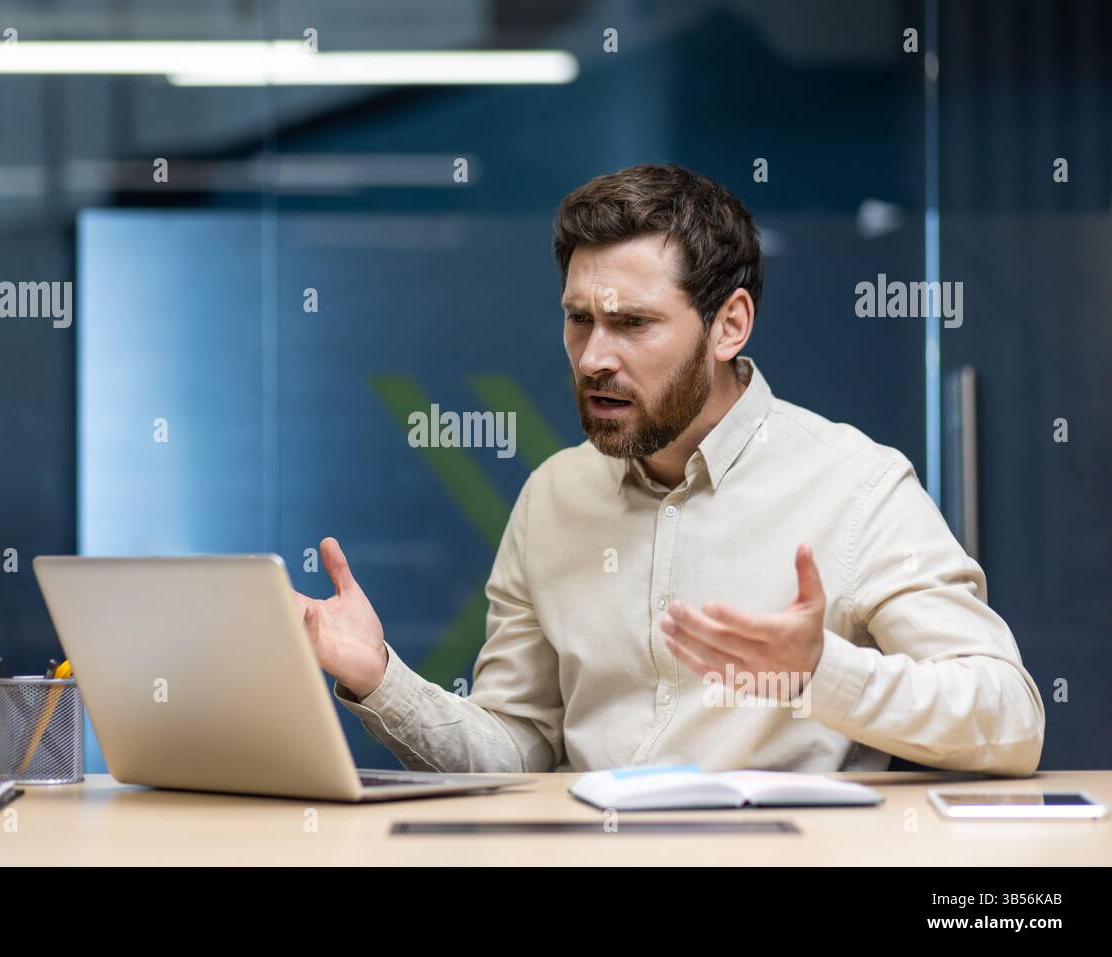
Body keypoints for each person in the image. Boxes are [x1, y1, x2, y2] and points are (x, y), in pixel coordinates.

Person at [292, 163, 1045, 776]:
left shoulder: (857, 486)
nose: (594, 357)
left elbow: (1010, 717)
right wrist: (378, 675)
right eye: (579, 319)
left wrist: (820, 673)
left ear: (729, 325)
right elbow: (515, 751)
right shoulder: (553, 495)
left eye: (632, 322)